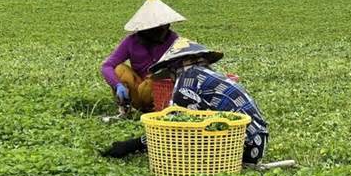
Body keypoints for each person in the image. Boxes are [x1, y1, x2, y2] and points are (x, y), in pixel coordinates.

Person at [102, 38, 269, 165]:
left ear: (174, 66)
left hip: (244, 149)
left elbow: (173, 129)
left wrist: (131, 145)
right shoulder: (206, 76)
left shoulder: (186, 84)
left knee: (180, 147)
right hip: (258, 141)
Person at [100, 0, 185, 112]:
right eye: (158, 30)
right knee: (119, 69)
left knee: (159, 75)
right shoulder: (131, 41)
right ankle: (126, 106)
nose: (162, 33)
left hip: (162, 92)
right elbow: (107, 66)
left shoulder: (174, 40)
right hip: (139, 92)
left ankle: (159, 109)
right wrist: (117, 85)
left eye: (165, 28)